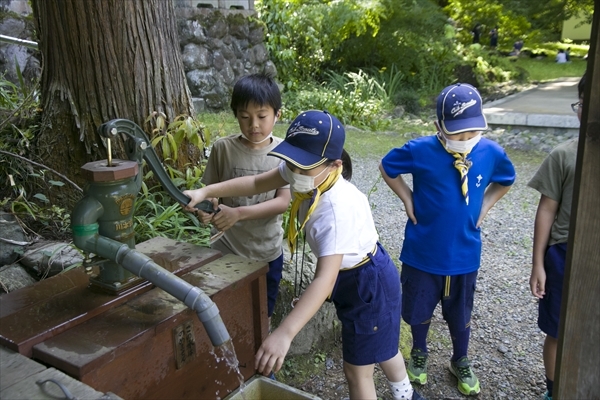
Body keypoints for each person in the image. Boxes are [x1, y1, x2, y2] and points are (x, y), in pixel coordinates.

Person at [184, 110, 424, 400]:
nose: (294, 172)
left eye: (304, 167)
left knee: (358, 371)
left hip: (366, 284)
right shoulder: (306, 171)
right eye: (291, 163)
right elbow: (257, 183)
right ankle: (406, 395)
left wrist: (284, 334)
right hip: (358, 275)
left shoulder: (335, 210)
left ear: (335, 165)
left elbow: (325, 279)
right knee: (382, 344)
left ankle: (405, 394)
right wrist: (205, 190)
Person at [379, 83, 516, 396]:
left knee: (460, 311)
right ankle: (419, 352)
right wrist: (406, 198)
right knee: (418, 307)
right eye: (457, 134)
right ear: (438, 126)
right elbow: (387, 166)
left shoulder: (491, 153)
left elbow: (507, 180)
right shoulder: (420, 150)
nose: (466, 140)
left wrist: (485, 206)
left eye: (472, 133)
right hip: (422, 251)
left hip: (464, 255)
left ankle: (460, 358)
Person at [197, 72, 290, 321]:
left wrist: (238, 214)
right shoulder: (222, 149)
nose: (254, 125)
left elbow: (282, 202)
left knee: (262, 313)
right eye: (244, 117)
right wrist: (206, 210)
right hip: (226, 249)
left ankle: (259, 355)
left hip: (267, 251)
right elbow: (213, 193)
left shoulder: (284, 153)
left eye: (262, 116)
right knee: (223, 312)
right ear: (236, 115)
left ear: (277, 114)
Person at [528, 73, 586, 400]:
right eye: (581, 103)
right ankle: (553, 390)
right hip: (562, 256)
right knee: (557, 330)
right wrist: (538, 263)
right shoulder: (564, 155)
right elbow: (546, 209)